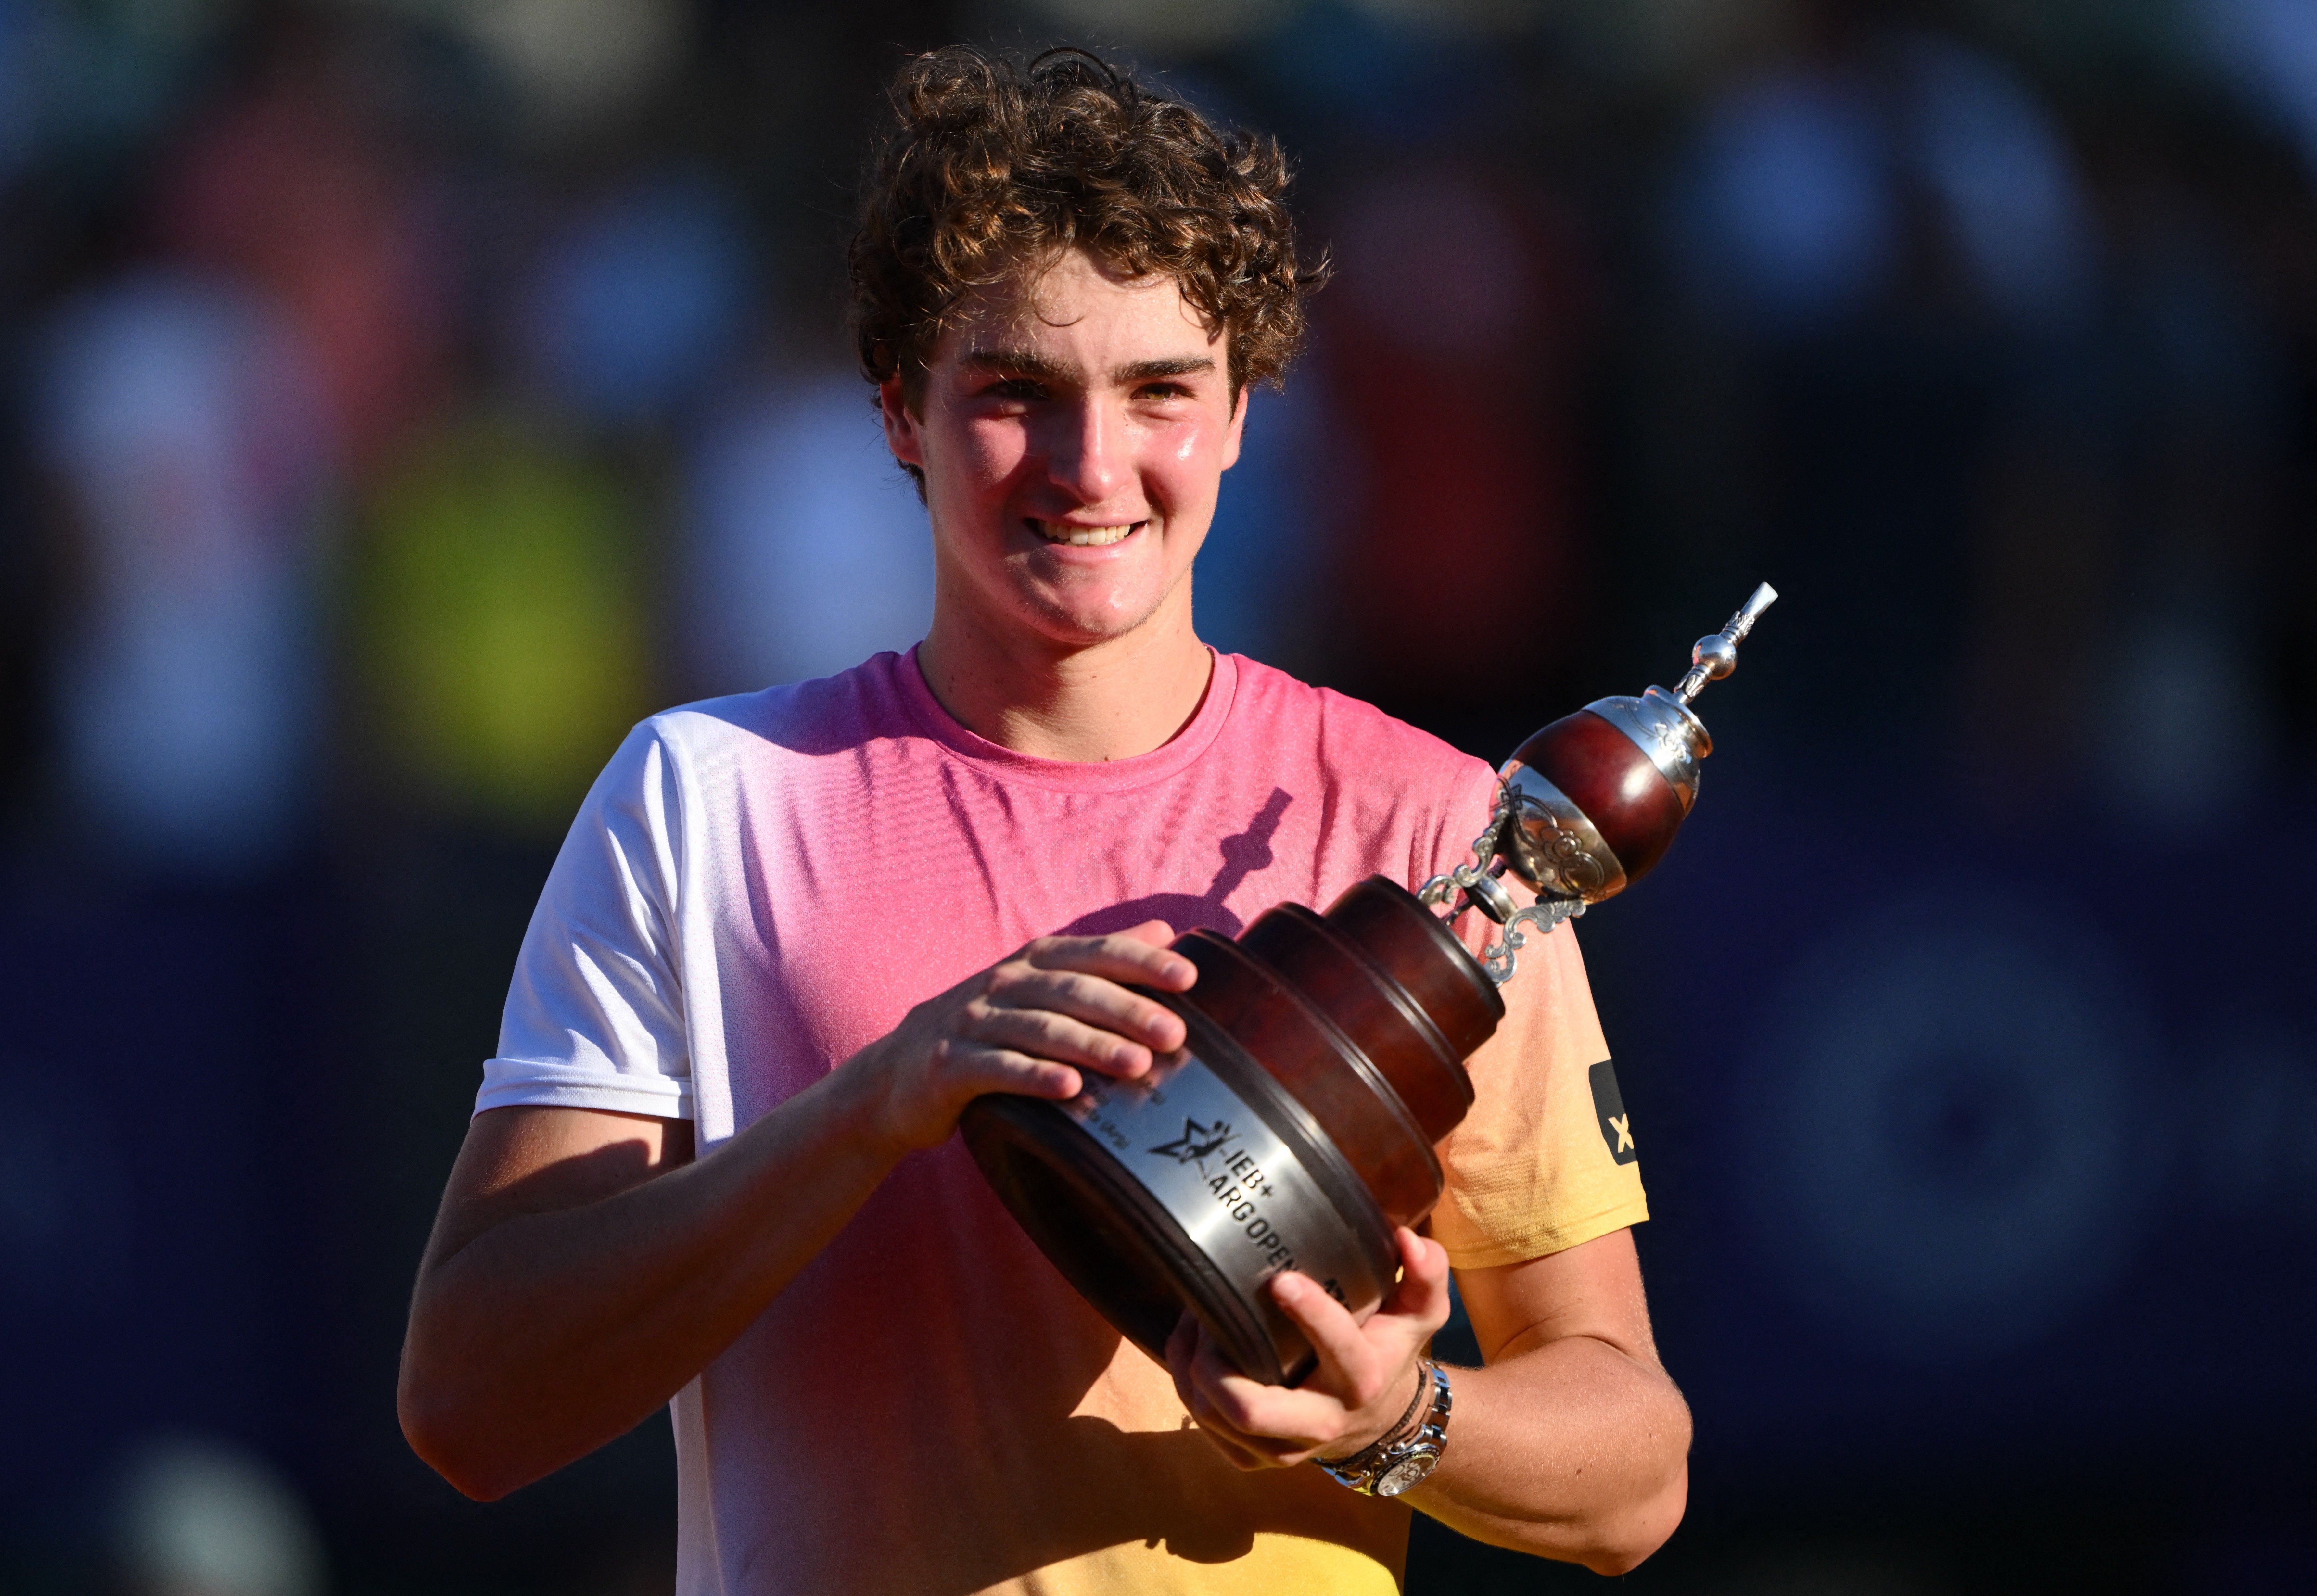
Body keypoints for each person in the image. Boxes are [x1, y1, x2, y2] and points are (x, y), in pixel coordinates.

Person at [397, 47, 1690, 1595]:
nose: (1092, 470)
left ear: (1240, 414)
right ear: (897, 410)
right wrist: (878, 1099)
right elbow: (472, 1400)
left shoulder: (1437, 824)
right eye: (1016, 393)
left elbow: (1632, 1470)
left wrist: (1394, 1416)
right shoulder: (703, 796)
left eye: (1159, 391)